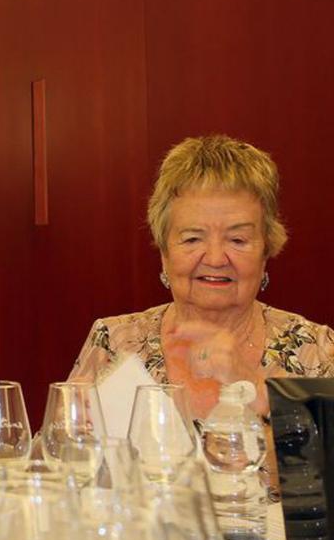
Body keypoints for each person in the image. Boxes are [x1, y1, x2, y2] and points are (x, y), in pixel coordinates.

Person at [72, 135, 334, 421]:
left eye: (237, 239)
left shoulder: (317, 351)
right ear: (164, 252)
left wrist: (258, 390)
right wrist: (73, 437)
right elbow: (46, 455)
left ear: (266, 251)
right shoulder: (114, 341)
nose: (215, 259)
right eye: (193, 238)